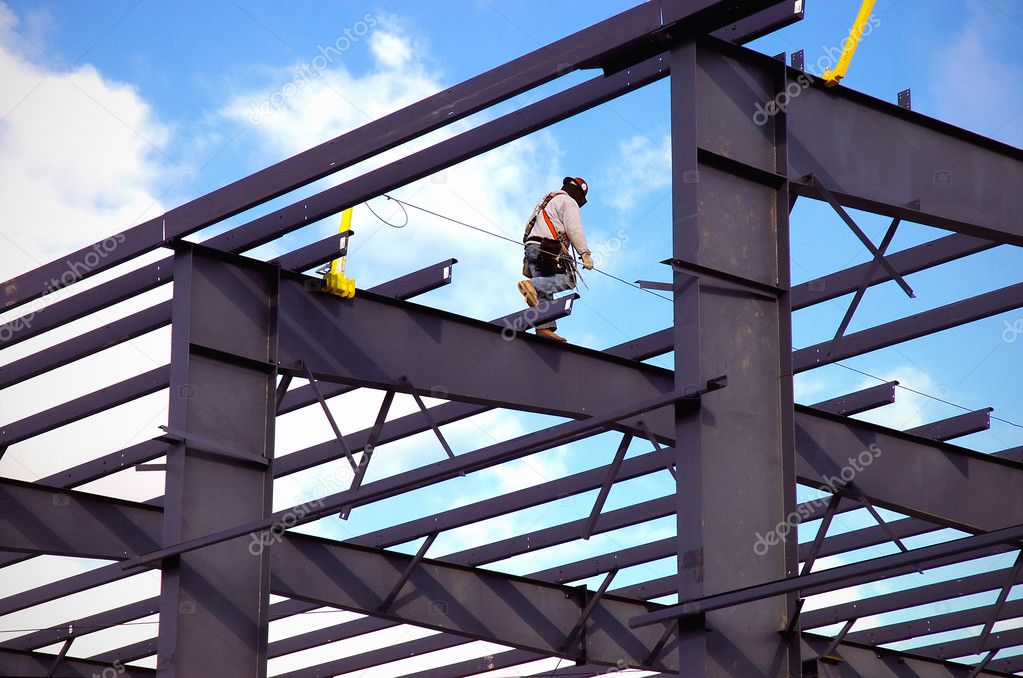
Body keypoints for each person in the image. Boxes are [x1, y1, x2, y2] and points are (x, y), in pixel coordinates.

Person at [517, 176, 594, 342]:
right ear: (578, 194)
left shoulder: (547, 200)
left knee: (546, 285)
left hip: (532, 247)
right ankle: (531, 286)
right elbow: (574, 229)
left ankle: (544, 328)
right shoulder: (569, 202)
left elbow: (529, 225)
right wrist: (584, 253)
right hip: (547, 248)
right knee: (570, 280)